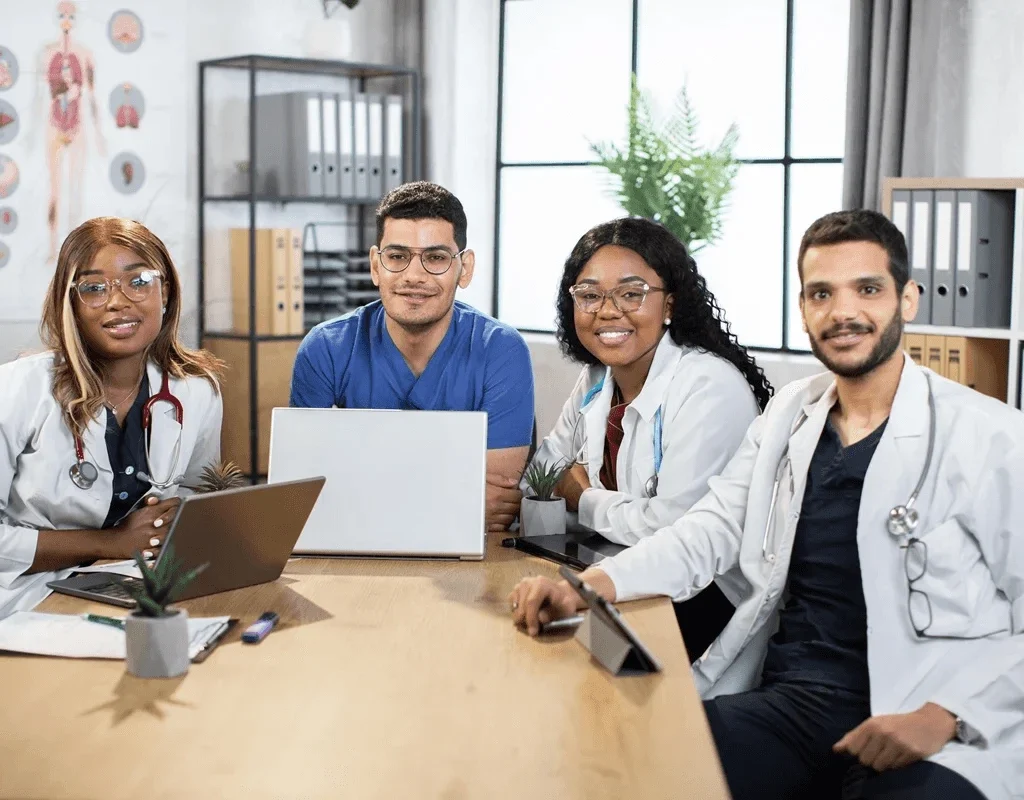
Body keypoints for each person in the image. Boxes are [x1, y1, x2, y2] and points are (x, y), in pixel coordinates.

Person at [509, 210, 1022, 800]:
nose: (843, 312)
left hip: (931, 716)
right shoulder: (791, 417)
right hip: (796, 704)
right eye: (821, 293)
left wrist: (947, 714)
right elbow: (709, 529)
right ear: (802, 309)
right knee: (635, 766)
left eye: (869, 289)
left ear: (907, 300)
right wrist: (590, 586)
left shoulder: (991, 438)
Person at [525, 217, 771, 659]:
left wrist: (584, 499)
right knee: (536, 640)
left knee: (577, 664)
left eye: (632, 293)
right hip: (619, 569)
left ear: (670, 304)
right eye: (589, 295)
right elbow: (543, 475)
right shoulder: (596, 378)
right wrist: (576, 496)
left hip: (704, 597)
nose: (607, 309)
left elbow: (675, 531)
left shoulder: (708, 386)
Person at [0, 217, 224, 617]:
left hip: (138, 584)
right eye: (93, 288)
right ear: (69, 303)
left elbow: (199, 494)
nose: (118, 301)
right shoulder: (17, 390)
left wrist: (183, 517)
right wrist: (109, 542)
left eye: (138, 281)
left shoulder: (196, 390)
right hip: (27, 599)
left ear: (165, 291)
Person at [291, 181, 535, 532]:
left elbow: (493, 502)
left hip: (471, 556)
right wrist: (456, 500)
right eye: (397, 257)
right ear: (376, 265)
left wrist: (357, 489)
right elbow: (304, 494)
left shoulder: (501, 351)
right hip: (352, 550)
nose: (414, 276)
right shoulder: (326, 348)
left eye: (435, 258)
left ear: (464, 269)